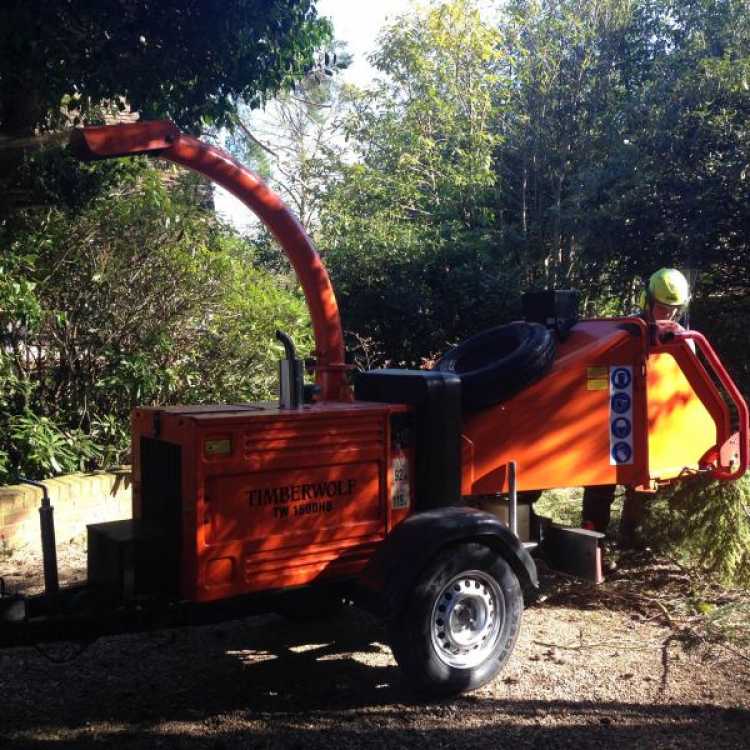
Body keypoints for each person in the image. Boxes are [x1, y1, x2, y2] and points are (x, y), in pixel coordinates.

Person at [581, 268, 691, 544]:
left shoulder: (683, 340)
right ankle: (594, 539)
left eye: (674, 310)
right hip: (617, 415)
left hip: (654, 421)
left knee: (644, 485)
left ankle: (631, 537)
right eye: (664, 309)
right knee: (600, 481)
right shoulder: (625, 332)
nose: (669, 316)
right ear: (648, 302)